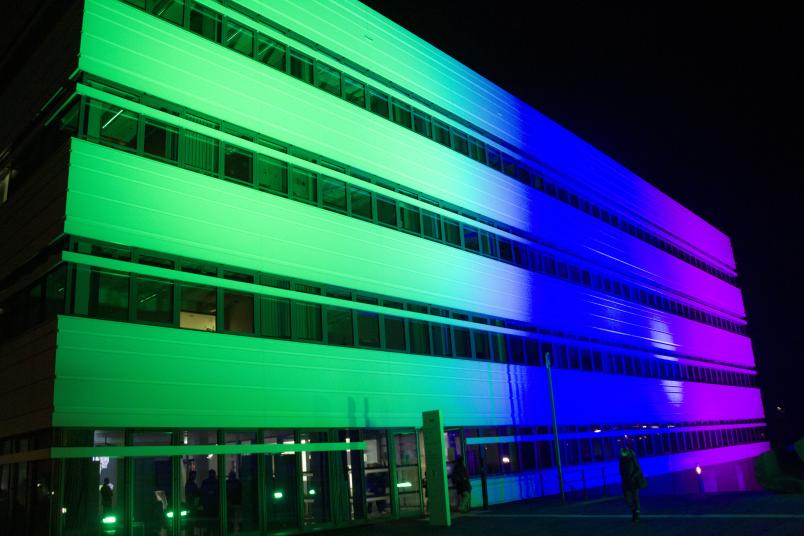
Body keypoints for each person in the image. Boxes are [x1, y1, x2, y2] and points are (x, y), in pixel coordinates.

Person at [619, 438, 647, 523]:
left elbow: (638, 469)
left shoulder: (632, 458)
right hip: (626, 482)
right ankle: (634, 511)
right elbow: (622, 470)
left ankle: (636, 514)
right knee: (627, 498)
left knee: (635, 498)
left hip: (633, 481)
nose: (623, 454)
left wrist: (633, 476)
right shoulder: (622, 460)